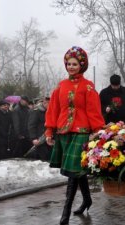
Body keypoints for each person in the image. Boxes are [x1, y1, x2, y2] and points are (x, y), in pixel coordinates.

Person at [45, 46, 105, 225]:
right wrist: (49, 130)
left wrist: (97, 132)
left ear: (82, 65)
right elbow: (53, 109)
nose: (71, 67)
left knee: (73, 173)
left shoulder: (88, 86)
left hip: (82, 133)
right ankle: (87, 200)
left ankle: (65, 213)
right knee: (77, 172)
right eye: (68, 64)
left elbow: (93, 111)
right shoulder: (61, 86)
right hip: (64, 133)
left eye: (75, 64)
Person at [28, 97, 51, 161]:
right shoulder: (36, 111)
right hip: (39, 138)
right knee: (42, 157)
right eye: (49, 104)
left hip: (47, 137)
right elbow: (31, 125)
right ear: (44, 103)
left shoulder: (49, 111)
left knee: (48, 156)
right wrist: (33, 138)